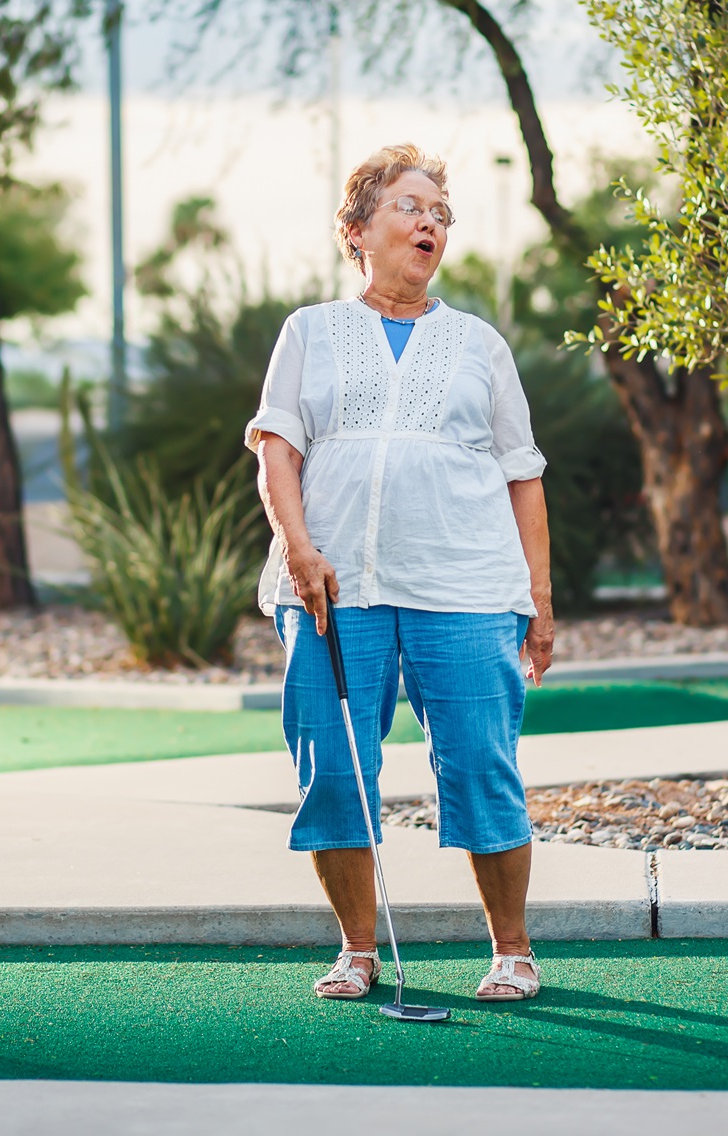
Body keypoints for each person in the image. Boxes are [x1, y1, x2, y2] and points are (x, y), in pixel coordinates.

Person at [246, 143, 554, 1004]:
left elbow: (521, 472)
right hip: (332, 592)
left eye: (441, 215)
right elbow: (278, 447)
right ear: (358, 230)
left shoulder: (477, 344)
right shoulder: (309, 331)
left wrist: (542, 600)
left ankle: (514, 950)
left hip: (465, 587)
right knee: (335, 770)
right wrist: (299, 548)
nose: (430, 223)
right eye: (411, 207)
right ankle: (356, 948)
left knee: (481, 764)